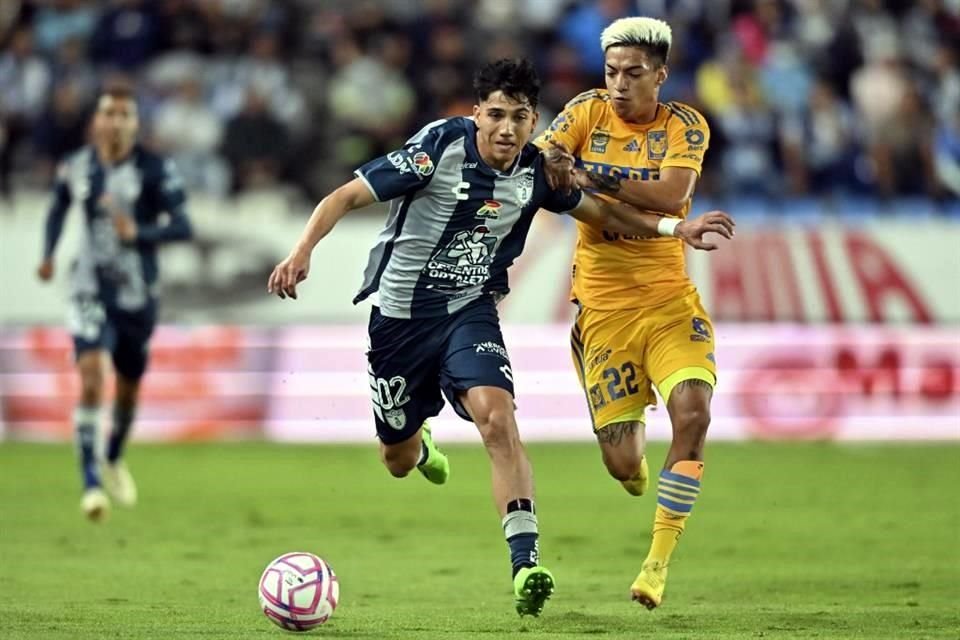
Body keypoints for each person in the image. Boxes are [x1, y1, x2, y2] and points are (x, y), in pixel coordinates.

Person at [268, 58, 733, 617]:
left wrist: (673, 227)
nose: (507, 129)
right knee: (396, 455)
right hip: (400, 321)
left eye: (519, 117)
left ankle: (526, 564)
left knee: (497, 418)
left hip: (471, 311)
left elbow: (599, 209)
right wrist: (301, 253)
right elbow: (343, 196)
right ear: (476, 115)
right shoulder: (437, 148)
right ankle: (420, 442)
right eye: (495, 116)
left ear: (534, 120)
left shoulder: (537, 171)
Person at [537, 17, 724, 609]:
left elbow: (672, 196)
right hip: (605, 309)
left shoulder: (685, 125)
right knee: (623, 463)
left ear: (660, 76)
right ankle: (634, 467)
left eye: (633, 73)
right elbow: (545, 159)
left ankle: (657, 564)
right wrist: (562, 166)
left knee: (693, 415)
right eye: (612, 72)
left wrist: (592, 174)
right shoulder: (586, 110)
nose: (618, 84)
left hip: (670, 302)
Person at [38, 85, 193, 521]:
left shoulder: (155, 169)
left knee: (127, 387)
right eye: (109, 113)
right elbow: (56, 208)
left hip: (136, 295)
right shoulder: (77, 165)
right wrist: (48, 254)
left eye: (125, 114)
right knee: (90, 377)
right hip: (87, 287)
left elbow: (183, 226)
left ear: (135, 123)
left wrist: (139, 234)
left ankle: (113, 455)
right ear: (97, 120)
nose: (116, 121)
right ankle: (90, 484)